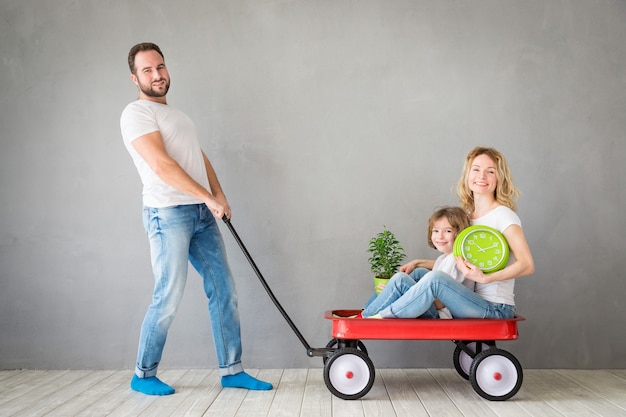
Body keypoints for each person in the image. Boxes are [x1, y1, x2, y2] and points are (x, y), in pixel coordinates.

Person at [120, 42, 272, 396]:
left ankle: (232, 370)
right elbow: (161, 165)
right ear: (134, 77)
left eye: (160, 66)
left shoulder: (177, 116)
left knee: (224, 290)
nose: (157, 74)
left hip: (200, 213)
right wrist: (206, 197)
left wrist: (217, 196)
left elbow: (197, 159)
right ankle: (143, 374)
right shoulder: (137, 114)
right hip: (167, 214)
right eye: (147, 70)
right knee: (168, 294)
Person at [361, 147, 534, 319]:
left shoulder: (503, 215)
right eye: (476, 170)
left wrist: (486, 279)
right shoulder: (467, 217)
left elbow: (527, 264)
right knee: (414, 274)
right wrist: (418, 262)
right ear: (467, 175)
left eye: (490, 171)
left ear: (499, 178)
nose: (481, 177)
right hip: (466, 299)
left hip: (495, 307)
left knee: (435, 279)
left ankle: (379, 316)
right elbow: (457, 260)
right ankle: (365, 315)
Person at [360, 206, 473, 319]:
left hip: (442, 315)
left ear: (460, 234)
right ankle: (367, 310)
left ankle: (364, 317)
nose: (440, 236)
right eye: (436, 231)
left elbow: (442, 303)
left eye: (448, 231)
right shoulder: (445, 258)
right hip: (435, 307)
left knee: (400, 281)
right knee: (417, 272)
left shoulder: (455, 262)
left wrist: (399, 294)